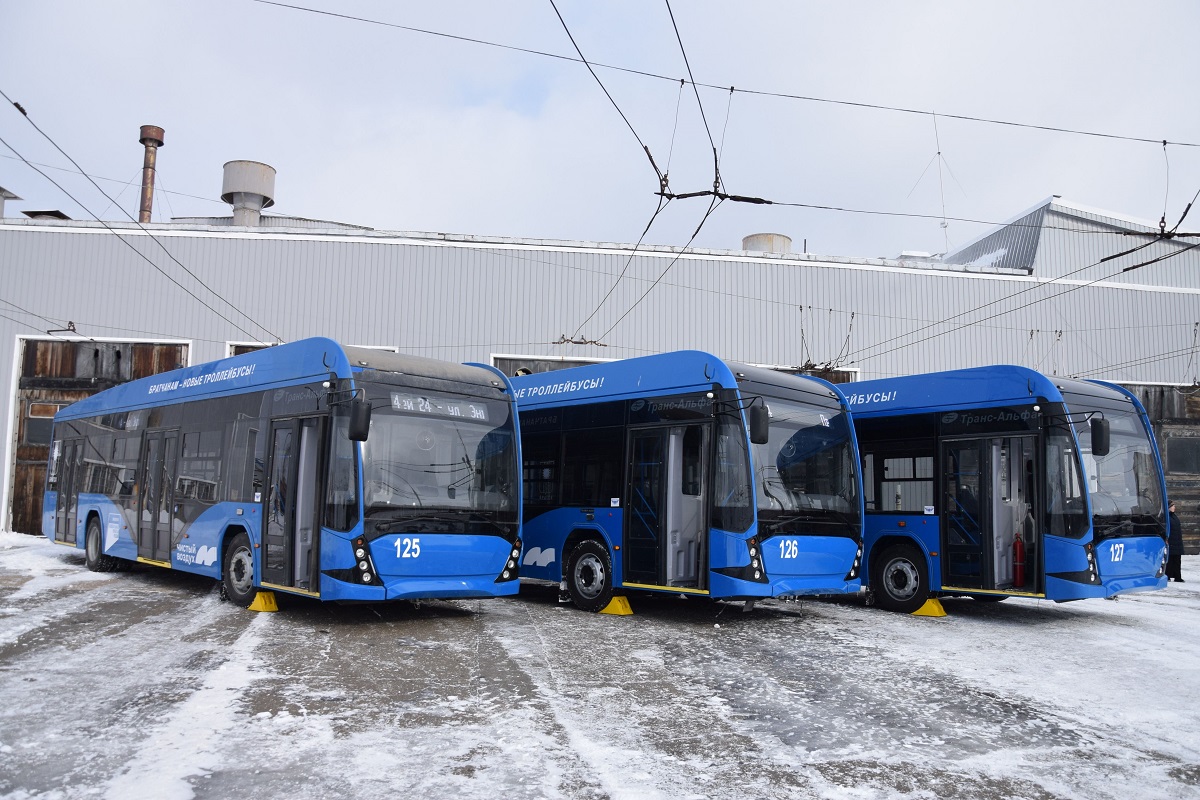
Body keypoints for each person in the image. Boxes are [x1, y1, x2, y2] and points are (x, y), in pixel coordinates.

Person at [1167, 501, 1184, 583]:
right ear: (1169, 507)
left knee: (1177, 561)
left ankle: (1177, 576)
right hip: (1171, 542)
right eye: (1172, 506)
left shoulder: (1174, 517)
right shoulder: (1167, 517)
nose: (1174, 507)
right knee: (1170, 561)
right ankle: (1168, 575)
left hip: (1177, 543)